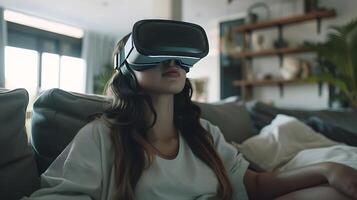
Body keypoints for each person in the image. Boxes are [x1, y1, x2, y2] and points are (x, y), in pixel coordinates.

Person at [23, 19, 357, 200]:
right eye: (157, 52)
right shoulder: (101, 137)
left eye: (178, 54)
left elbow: (253, 186)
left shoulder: (204, 134)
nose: (172, 62)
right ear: (127, 67)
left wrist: (327, 169)